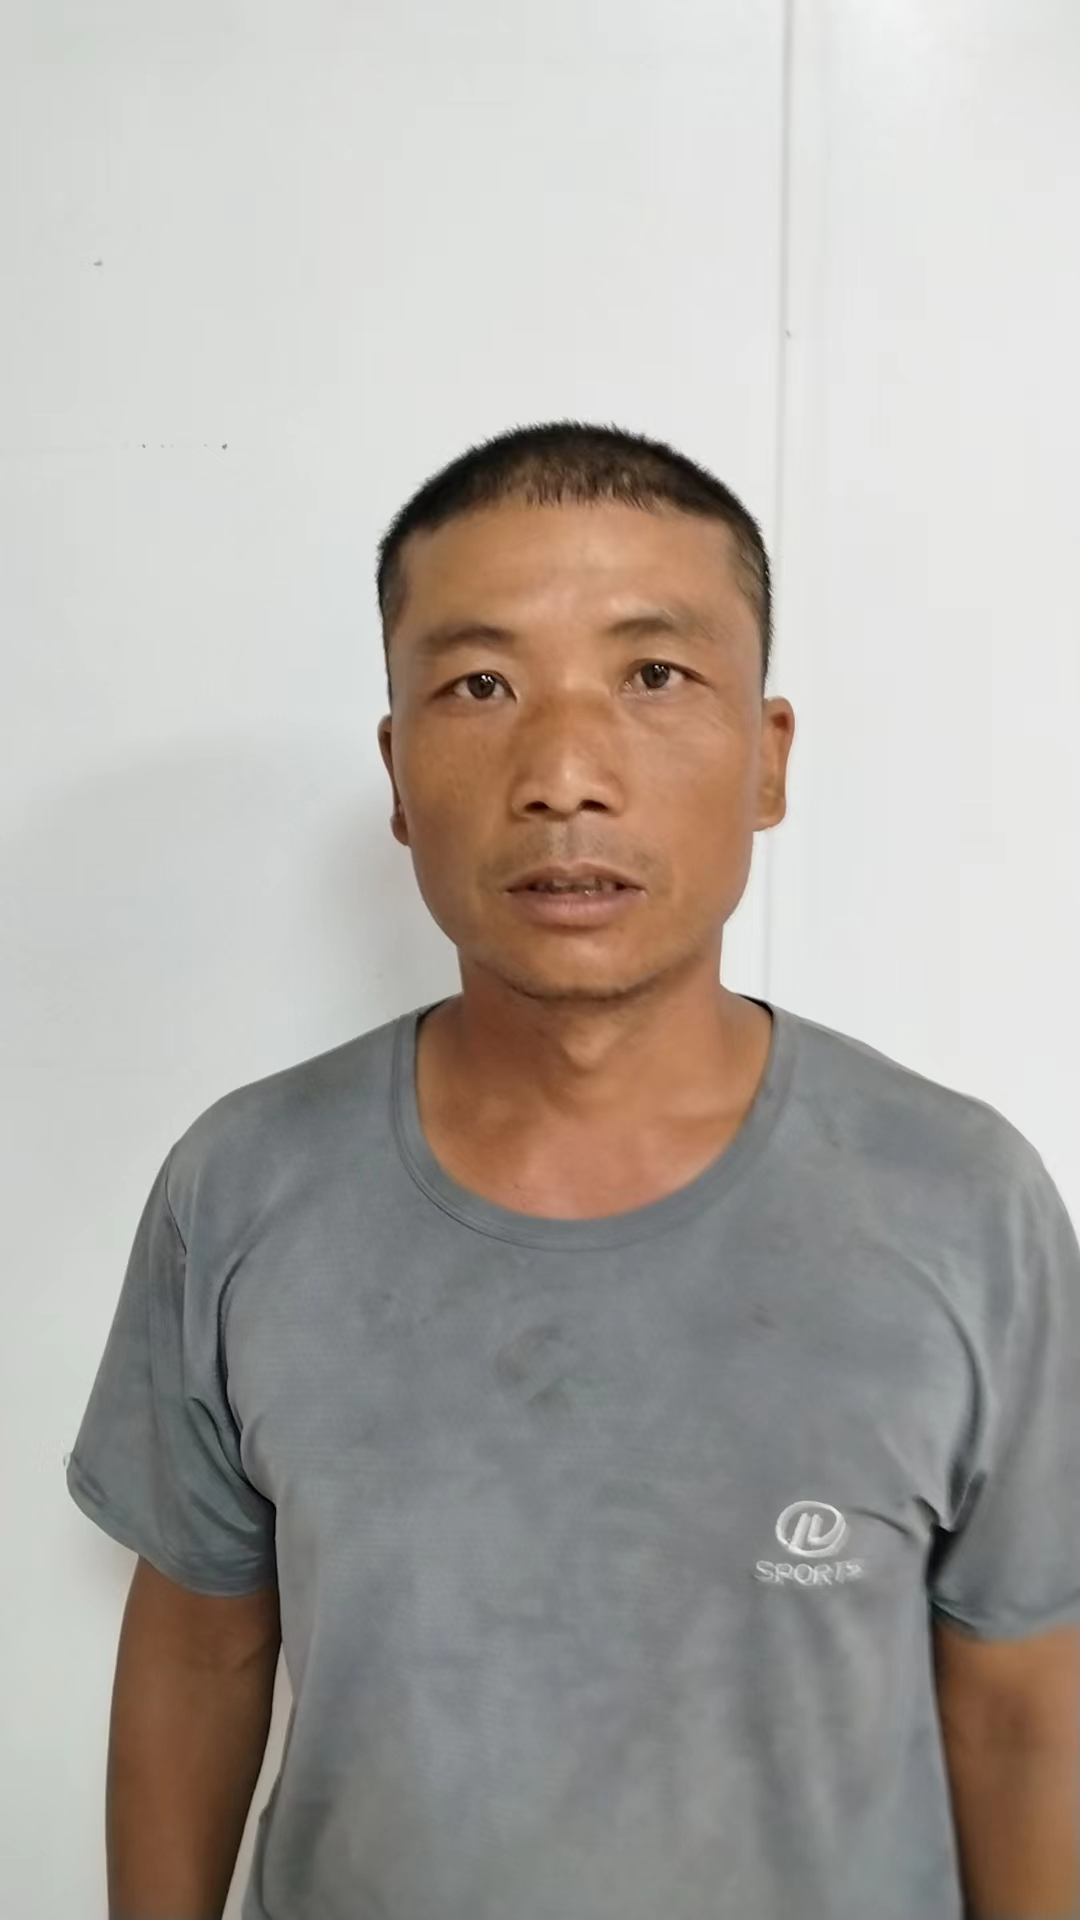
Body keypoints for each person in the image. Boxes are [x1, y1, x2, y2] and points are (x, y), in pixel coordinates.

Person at [66, 421, 1079, 1920]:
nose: (563, 776)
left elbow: (1022, 1707)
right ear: (398, 769)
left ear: (768, 758)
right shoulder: (242, 1183)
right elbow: (202, 1648)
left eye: (653, 674)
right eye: (480, 685)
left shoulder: (962, 1196)